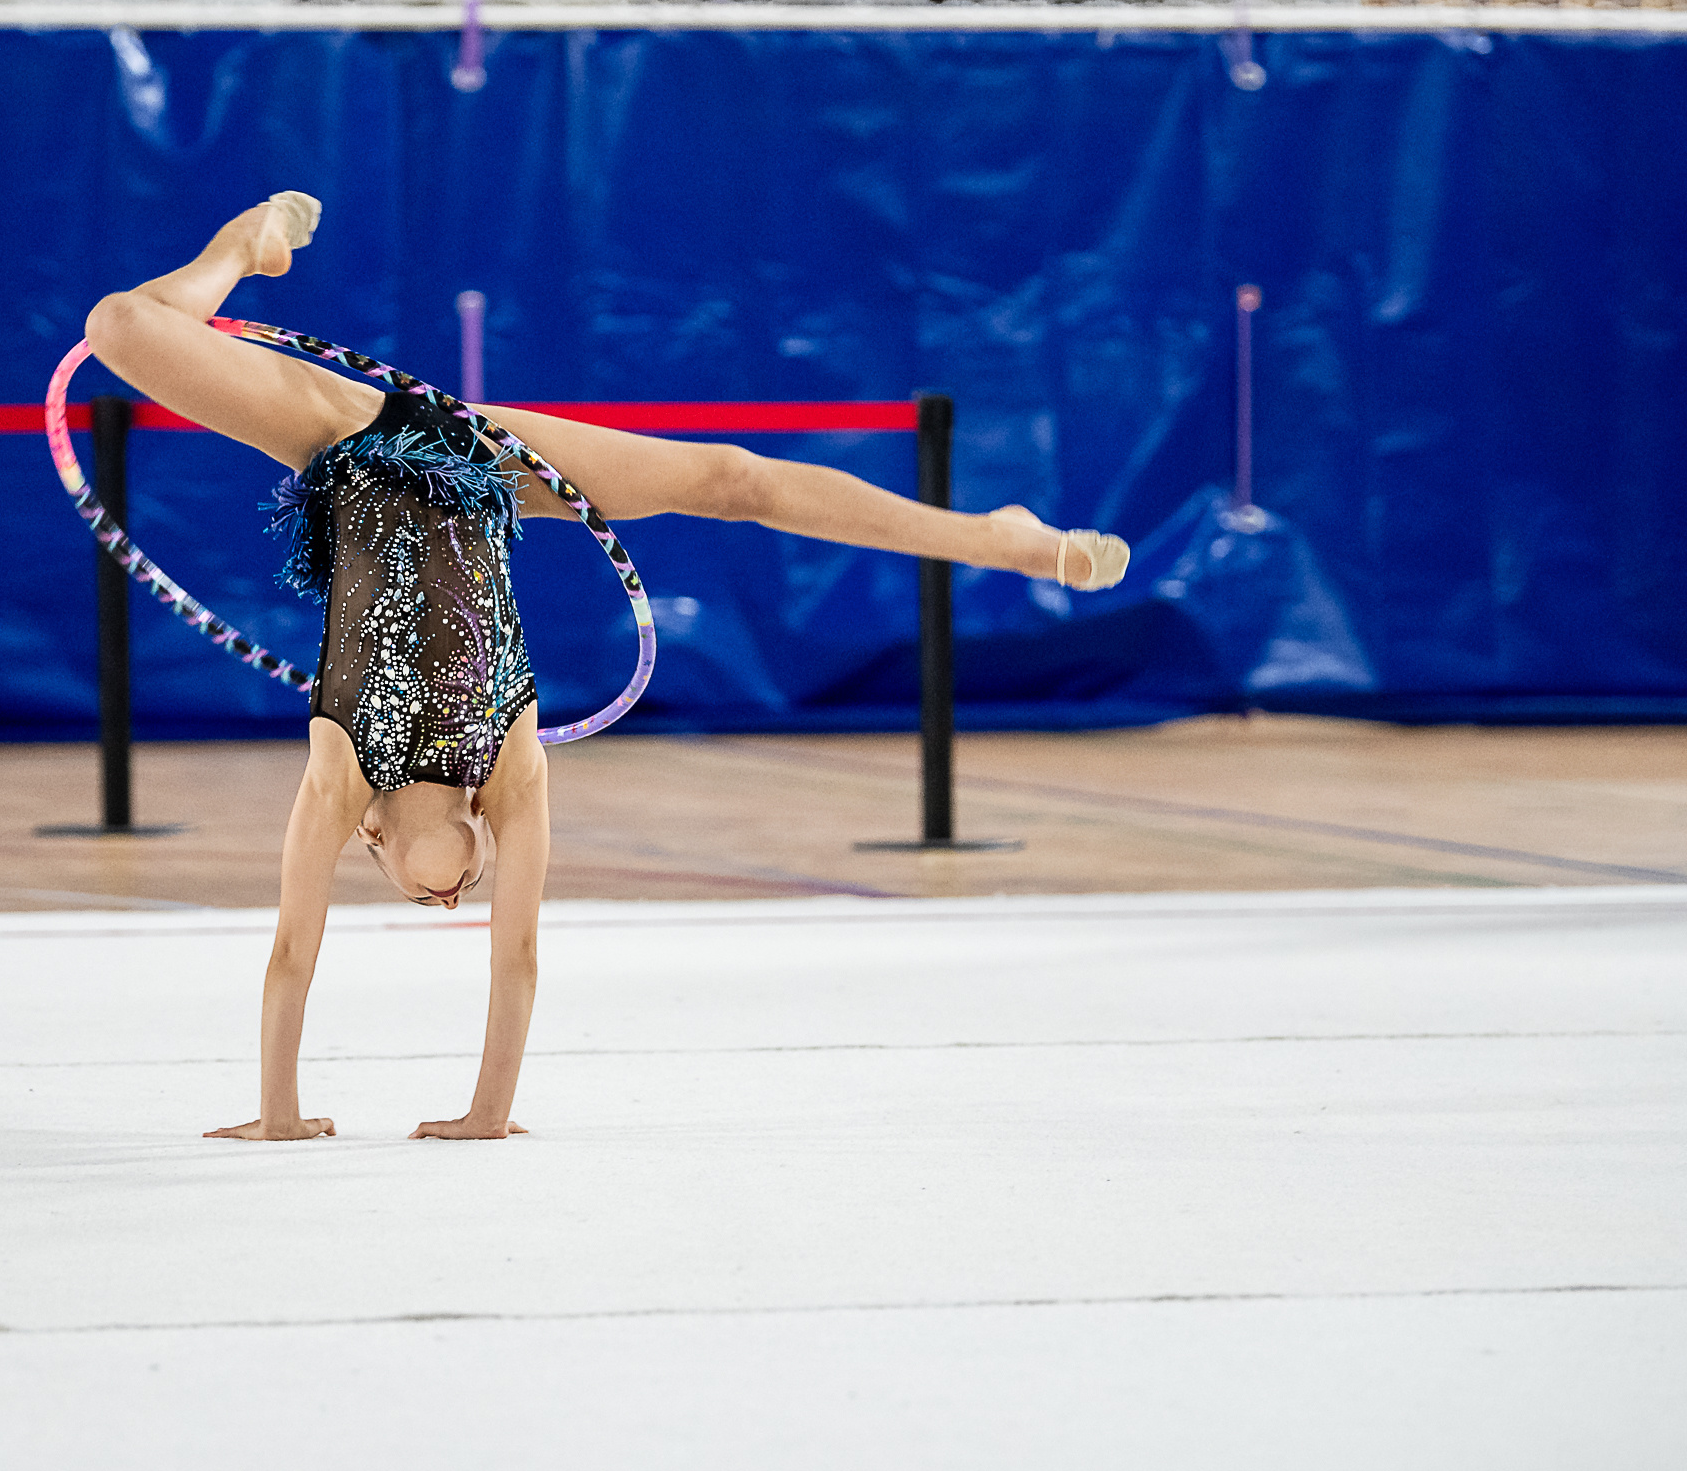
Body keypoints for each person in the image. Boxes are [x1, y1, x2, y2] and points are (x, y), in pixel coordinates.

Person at [79, 193, 1129, 1144]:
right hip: (484, 462)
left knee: (119, 327)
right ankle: (1004, 540)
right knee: (726, 475)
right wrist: (486, 1114)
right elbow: (521, 956)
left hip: (345, 439)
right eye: (455, 906)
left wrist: (278, 1115)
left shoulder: (340, 774)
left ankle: (236, 250)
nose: (451, 904)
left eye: (425, 903)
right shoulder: (512, 770)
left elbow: (291, 955)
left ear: (374, 844)